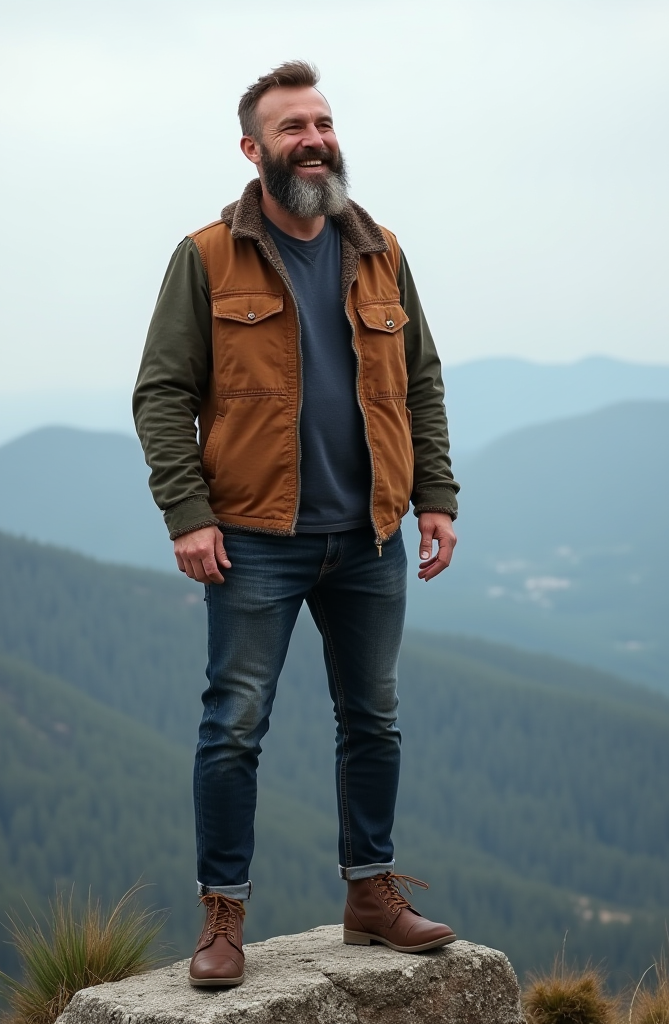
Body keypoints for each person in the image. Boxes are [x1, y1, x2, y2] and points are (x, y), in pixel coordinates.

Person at [133, 60, 460, 988]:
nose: (314, 139)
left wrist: (435, 495)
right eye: (292, 128)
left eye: (322, 122)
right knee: (234, 724)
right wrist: (187, 514)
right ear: (254, 149)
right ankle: (223, 920)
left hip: (370, 534)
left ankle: (370, 895)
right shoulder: (205, 255)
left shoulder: (381, 250)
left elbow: (421, 381)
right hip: (254, 539)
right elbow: (161, 393)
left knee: (374, 719)